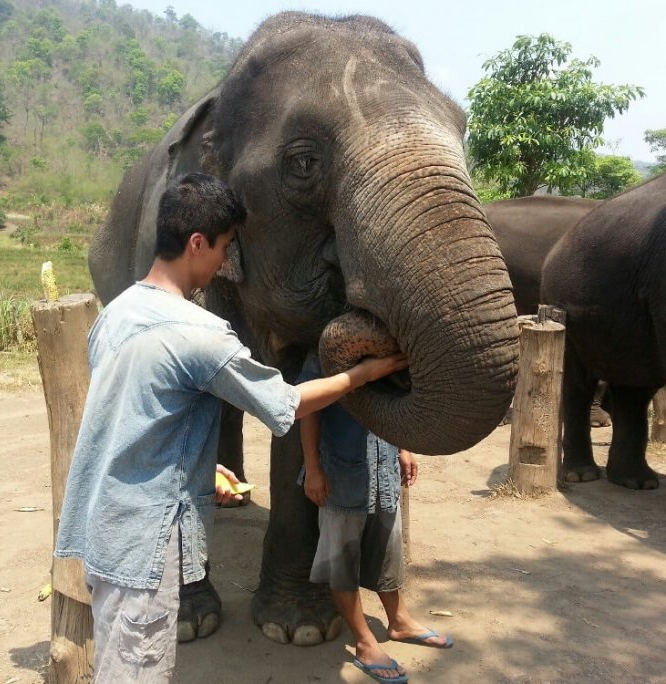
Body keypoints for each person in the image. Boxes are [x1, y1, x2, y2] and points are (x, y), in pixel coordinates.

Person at [54, 172, 401, 684]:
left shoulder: (118, 312)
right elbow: (286, 402)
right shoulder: (199, 332)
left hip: (102, 527)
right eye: (224, 248)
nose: (225, 264)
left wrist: (195, 464)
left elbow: (133, 413)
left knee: (116, 658)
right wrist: (361, 375)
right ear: (197, 243)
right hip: (145, 542)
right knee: (135, 672)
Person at [299, 352, 453, 684]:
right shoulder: (325, 351)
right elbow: (308, 409)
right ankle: (365, 642)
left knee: (388, 550)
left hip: (384, 470)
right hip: (342, 473)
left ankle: (399, 621)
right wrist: (313, 467)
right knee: (341, 560)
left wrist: (403, 448)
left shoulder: (388, 347)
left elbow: (396, 406)